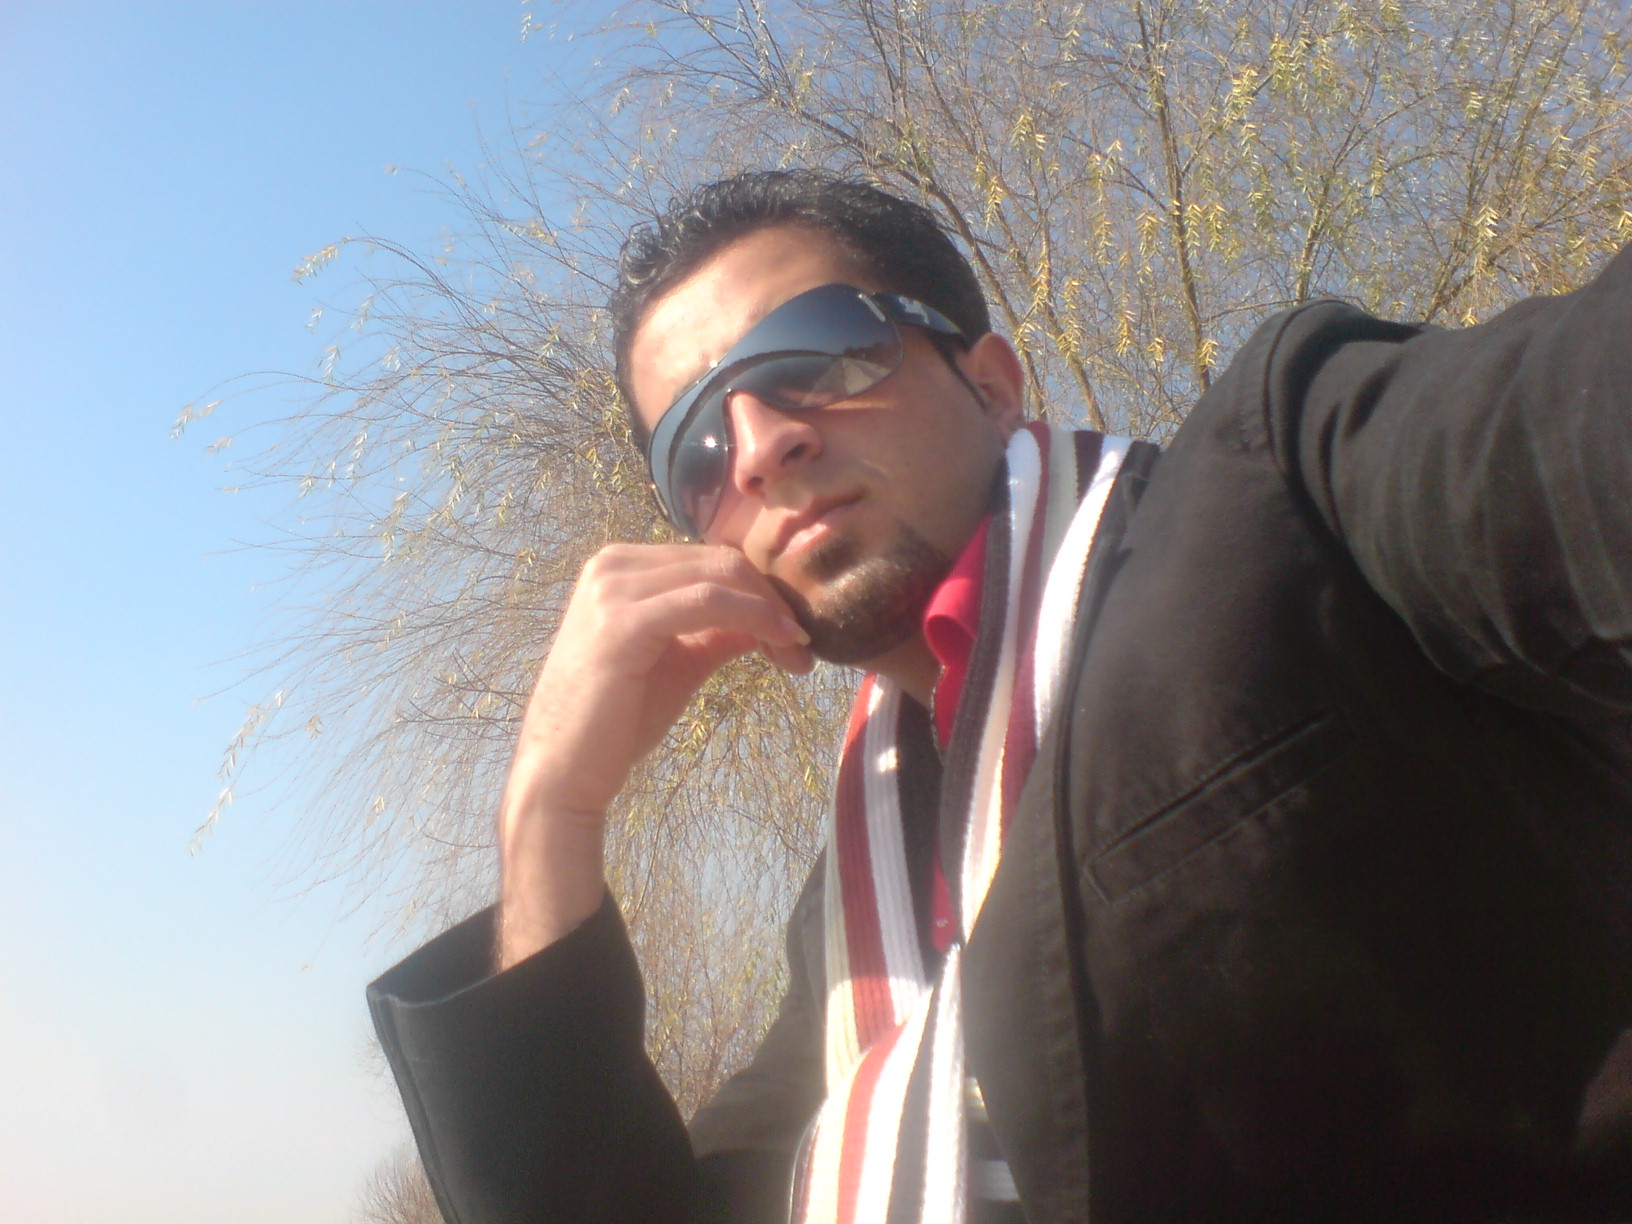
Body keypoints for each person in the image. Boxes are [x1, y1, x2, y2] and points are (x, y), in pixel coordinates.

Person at [367, 169, 1632, 1224]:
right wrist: (551, 811)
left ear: (991, 381)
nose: (758, 447)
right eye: (694, 447)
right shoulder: (856, 925)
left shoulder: (1286, 495)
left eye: (818, 354)